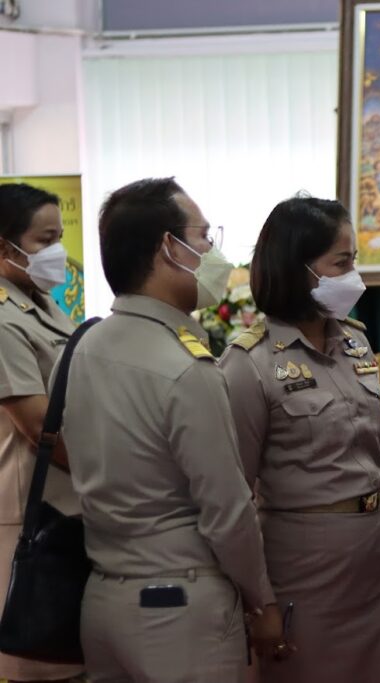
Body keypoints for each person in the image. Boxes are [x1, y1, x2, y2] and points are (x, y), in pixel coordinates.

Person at [60, 178, 281, 682]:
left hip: (101, 598)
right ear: (169, 247)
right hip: (178, 607)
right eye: (204, 236)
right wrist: (262, 600)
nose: (213, 252)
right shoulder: (185, 367)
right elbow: (227, 510)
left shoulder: (80, 349)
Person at [219, 196, 380, 683]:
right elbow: (234, 498)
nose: (355, 276)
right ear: (300, 269)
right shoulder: (249, 364)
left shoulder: (356, 341)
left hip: (374, 564)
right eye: (342, 262)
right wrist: (260, 602)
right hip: (304, 575)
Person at [0, 184, 83, 683]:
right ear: (4, 247)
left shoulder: (44, 305)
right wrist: (114, 475)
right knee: (38, 665)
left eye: (59, 238)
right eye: (44, 240)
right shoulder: (3, 319)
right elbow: (37, 427)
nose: (57, 252)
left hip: (65, 511)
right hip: (28, 520)